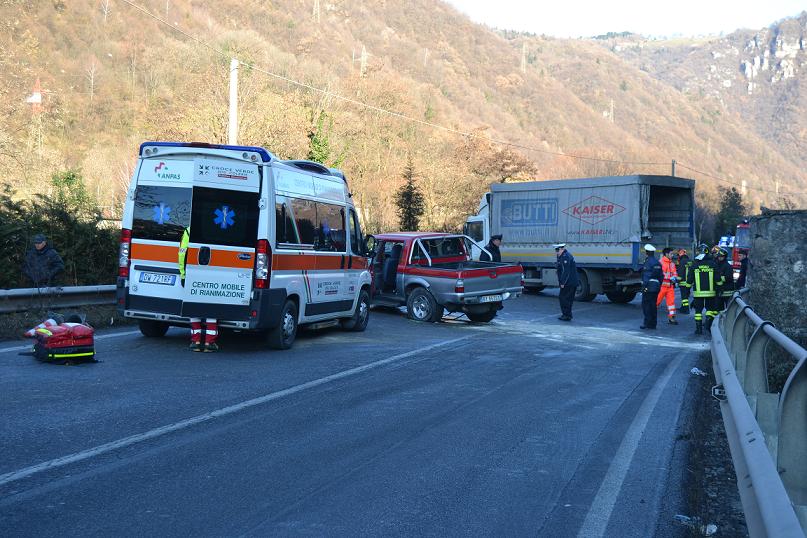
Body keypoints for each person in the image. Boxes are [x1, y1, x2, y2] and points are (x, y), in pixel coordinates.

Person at [179, 227, 219, 352]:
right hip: (212, 274)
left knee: (194, 307)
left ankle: (195, 341)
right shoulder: (217, 229)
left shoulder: (188, 231)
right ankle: (209, 343)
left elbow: (182, 254)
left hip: (192, 272)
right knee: (211, 308)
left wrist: (183, 274)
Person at [687, 245, 718, 335]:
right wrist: (719, 288)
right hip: (710, 293)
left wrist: (687, 290)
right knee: (710, 310)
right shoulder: (713, 264)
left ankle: (698, 329)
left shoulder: (695, 264)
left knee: (698, 312)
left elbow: (689, 279)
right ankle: (707, 326)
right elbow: (718, 279)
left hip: (698, 294)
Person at [640, 244, 663, 330]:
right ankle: (653, 324)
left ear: (647, 252)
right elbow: (661, 276)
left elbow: (646, 276)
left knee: (646, 305)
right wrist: (659, 285)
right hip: (656, 287)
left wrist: (644, 286)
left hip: (649, 286)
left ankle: (647, 323)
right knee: (653, 305)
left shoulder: (647, 262)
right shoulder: (658, 262)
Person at [554, 243, 578, 321]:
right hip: (571, 282)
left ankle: (566, 315)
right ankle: (567, 315)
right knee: (567, 298)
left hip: (569, 282)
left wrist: (562, 283)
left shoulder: (565, 257)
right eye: (555, 250)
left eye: (557, 250)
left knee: (563, 298)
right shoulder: (563, 256)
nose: (556, 252)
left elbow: (566, 271)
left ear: (562, 249)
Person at [655, 247, 679, 324]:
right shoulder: (660, 262)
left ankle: (672, 318)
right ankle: (651, 316)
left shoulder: (672, 263)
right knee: (656, 302)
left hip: (670, 286)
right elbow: (659, 275)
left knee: (671, 303)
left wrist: (675, 277)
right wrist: (670, 277)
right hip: (662, 286)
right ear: (666, 254)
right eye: (671, 254)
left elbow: (675, 273)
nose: (672, 255)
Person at [676, 248, 692, 314]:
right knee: (686, 296)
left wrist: (677, 280)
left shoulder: (682, 261)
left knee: (684, 297)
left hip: (683, 282)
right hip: (689, 282)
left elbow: (680, 272)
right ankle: (683, 308)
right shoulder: (689, 261)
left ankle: (686, 309)